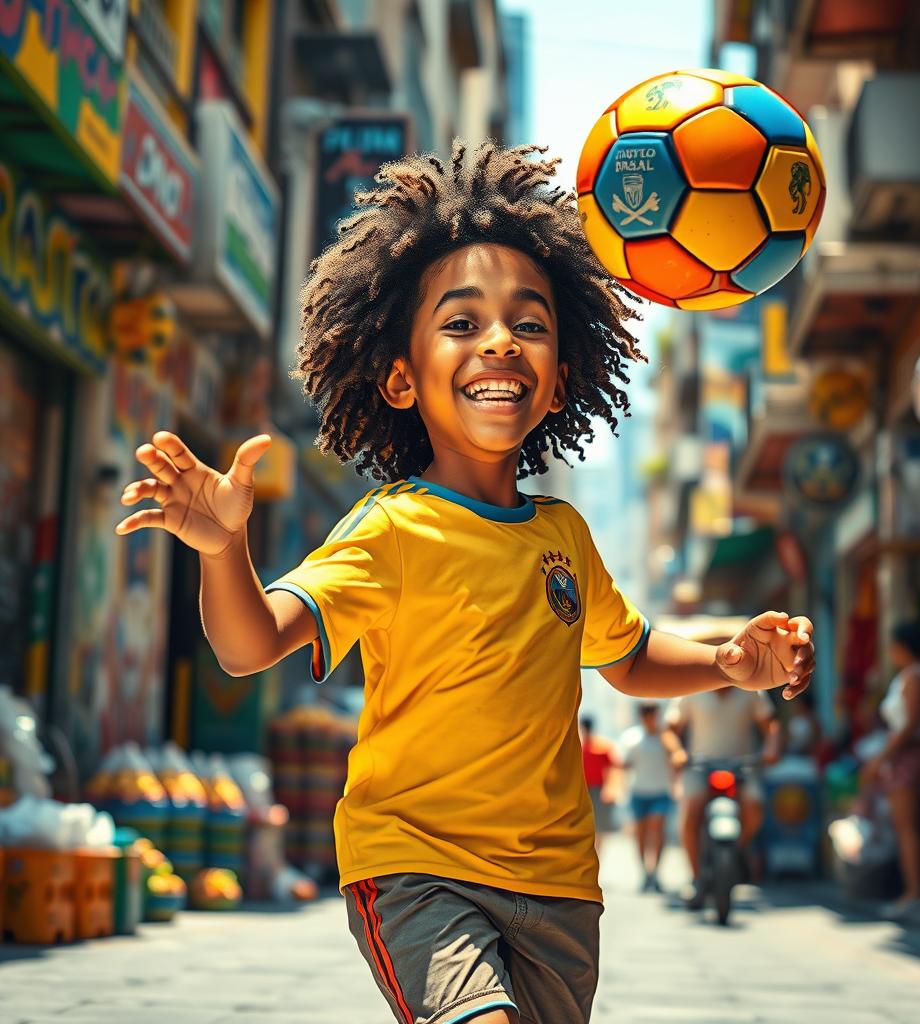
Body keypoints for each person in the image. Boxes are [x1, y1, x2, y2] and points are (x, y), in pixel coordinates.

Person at [114, 140, 816, 1024]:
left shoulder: (564, 534)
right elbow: (251, 644)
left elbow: (629, 658)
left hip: (560, 885)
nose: (498, 342)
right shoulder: (390, 528)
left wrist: (728, 662)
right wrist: (224, 550)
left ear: (560, 380)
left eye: (529, 324)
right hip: (415, 867)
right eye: (460, 323)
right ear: (402, 377)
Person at [860, 622, 920, 917]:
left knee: (907, 827)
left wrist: (881, 758)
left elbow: (908, 726)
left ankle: (914, 891)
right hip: (913, 754)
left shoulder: (916, 677)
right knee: (911, 827)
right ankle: (916, 888)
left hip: (910, 757)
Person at [669, 687, 780, 901]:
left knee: (754, 804)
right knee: (691, 811)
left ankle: (737, 849)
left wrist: (772, 746)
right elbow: (670, 729)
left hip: (742, 767)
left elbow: (771, 724)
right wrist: (676, 751)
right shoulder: (690, 688)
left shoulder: (751, 690)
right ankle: (696, 877)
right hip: (700, 767)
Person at [619, 704, 680, 893]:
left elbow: (676, 760)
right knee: (641, 835)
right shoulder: (632, 738)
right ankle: (645, 872)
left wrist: (676, 784)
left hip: (661, 791)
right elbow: (624, 765)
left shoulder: (666, 738)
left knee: (658, 829)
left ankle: (656, 871)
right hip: (638, 791)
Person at [579, 715, 620, 853]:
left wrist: (611, 790)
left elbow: (614, 769)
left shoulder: (602, 747)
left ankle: (597, 856)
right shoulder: (579, 747)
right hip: (582, 791)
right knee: (585, 825)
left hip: (599, 790)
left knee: (600, 826)